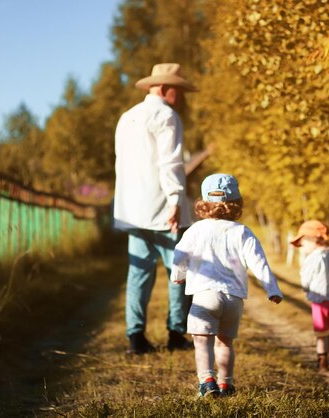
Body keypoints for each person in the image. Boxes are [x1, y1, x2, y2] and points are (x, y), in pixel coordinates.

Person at [171, 173, 283, 397]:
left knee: (202, 340)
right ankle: (226, 384)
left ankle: (207, 381)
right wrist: (272, 289)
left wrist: (178, 274)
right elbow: (258, 262)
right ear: (236, 203)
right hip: (233, 299)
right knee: (224, 343)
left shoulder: (195, 230)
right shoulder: (242, 232)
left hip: (205, 295)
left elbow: (180, 255)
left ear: (204, 202)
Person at [114, 63, 198, 354]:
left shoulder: (127, 117)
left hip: (132, 208)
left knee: (138, 273)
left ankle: (135, 338)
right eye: (179, 90)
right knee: (178, 271)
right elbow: (170, 163)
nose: (182, 97)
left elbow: (122, 163)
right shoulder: (166, 116)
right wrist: (176, 199)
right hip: (163, 206)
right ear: (165, 89)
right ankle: (176, 333)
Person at [290, 220, 329, 371]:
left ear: (313, 240)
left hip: (320, 300)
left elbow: (305, 278)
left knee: (321, 332)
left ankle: (322, 361)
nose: (302, 248)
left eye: (303, 244)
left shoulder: (313, 258)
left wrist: (306, 290)